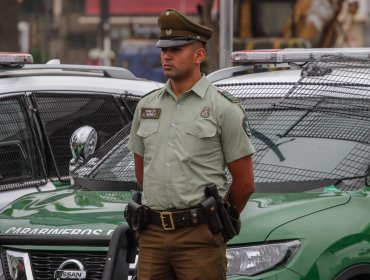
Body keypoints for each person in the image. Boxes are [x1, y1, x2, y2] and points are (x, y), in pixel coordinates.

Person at [128, 8, 255, 280]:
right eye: (164, 49)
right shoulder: (146, 106)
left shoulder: (223, 109)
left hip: (199, 237)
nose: (166, 56)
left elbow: (244, 184)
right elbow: (143, 175)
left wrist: (216, 222)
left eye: (177, 49)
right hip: (151, 236)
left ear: (199, 55)